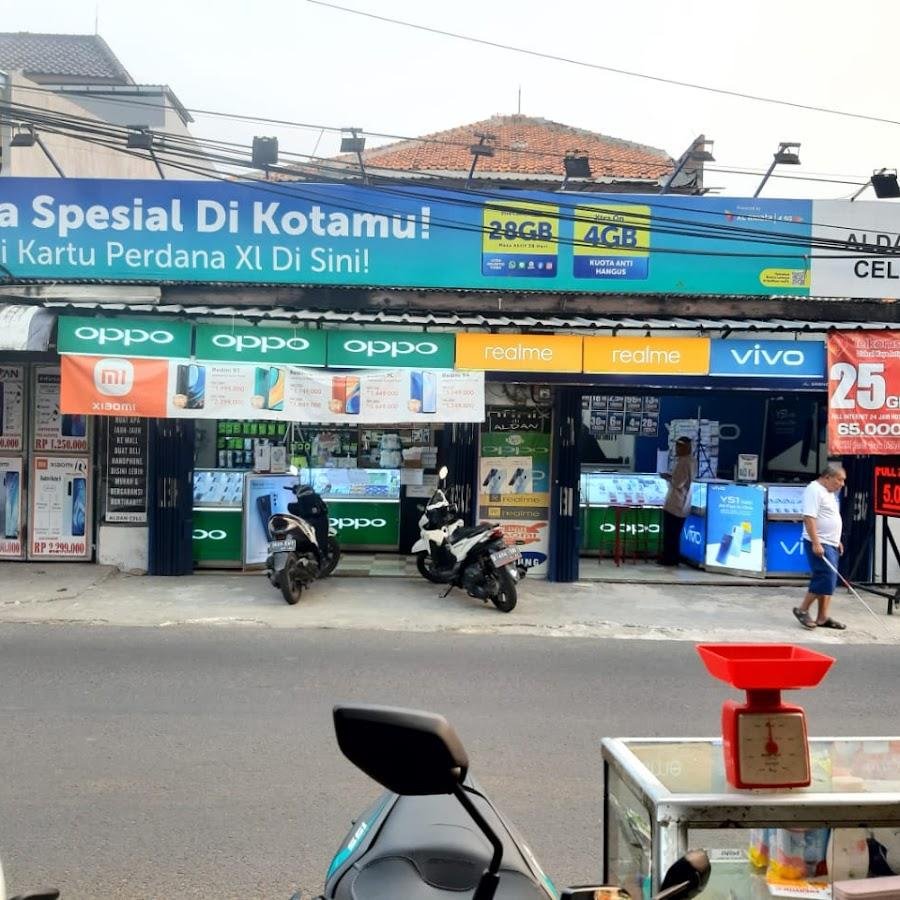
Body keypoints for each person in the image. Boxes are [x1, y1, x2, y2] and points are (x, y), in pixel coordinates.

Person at [793, 462, 847, 630]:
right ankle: (802, 609)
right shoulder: (814, 490)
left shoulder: (830, 492)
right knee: (825, 577)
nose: (842, 484)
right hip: (819, 541)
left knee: (828, 580)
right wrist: (816, 542)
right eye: (839, 480)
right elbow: (809, 517)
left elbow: (829, 516)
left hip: (830, 542)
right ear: (827, 477)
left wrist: (836, 539)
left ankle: (822, 617)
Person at [660, 436, 694, 566]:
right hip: (683, 503)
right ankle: (672, 558)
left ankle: (669, 559)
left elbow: (678, 483)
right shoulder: (691, 461)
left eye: (679, 446)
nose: (676, 449)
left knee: (671, 534)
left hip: (676, 503)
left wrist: (668, 477)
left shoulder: (684, 462)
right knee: (674, 534)